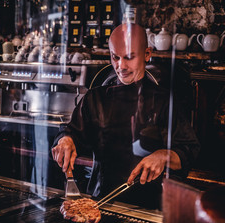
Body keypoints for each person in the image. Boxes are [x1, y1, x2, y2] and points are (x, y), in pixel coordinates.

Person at [52, 23, 200, 209]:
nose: (121, 66)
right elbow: (71, 131)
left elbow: (190, 150)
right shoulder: (95, 97)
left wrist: (164, 156)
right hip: (100, 201)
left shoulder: (164, 101)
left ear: (147, 54)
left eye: (129, 57)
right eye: (115, 57)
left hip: (148, 206)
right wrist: (65, 140)